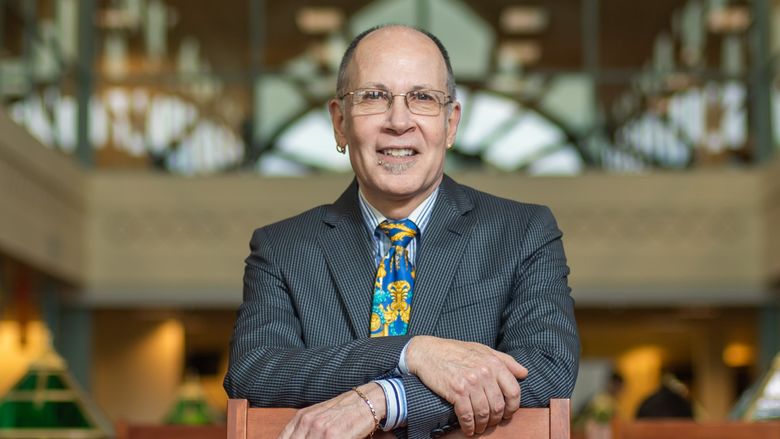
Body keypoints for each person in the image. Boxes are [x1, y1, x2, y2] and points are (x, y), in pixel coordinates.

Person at [224, 24, 579, 439]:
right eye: (374, 96)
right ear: (340, 122)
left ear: (450, 124)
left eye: (423, 98)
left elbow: (547, 370)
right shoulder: (282, 249)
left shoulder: (523, 234)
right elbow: (254, 372)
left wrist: (385, 399)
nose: (399, 121)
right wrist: (412, 353)